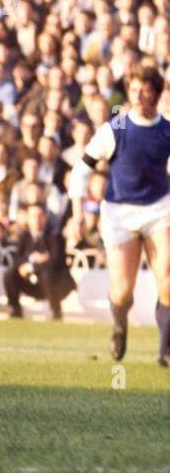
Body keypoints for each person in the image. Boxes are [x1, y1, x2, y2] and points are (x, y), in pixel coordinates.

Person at [73, 63, 170, 361]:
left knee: (167, 280)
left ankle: (166, 347)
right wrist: (78, 210)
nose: (139, 95)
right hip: (119, 215)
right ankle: (119, 326)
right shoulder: (115, 129)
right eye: (133, 89)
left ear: (157, 92)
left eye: (145, 89)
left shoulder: (167, 130)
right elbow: (81, 170)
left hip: (158, 210)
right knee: (122, 292)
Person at [3, 200, 76, 320]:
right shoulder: (24, 236)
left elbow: (55, 261)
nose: (36, 219)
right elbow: (17, 258)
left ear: (46, 217)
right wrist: (26, 265)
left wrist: (32, 267)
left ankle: (56, 311)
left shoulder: (55, 236)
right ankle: (15, 309)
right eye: (33, 216)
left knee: (47, 274)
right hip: (33, 283)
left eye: (39, 216)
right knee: (10, 274)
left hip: (55, 285)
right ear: (27, 218)